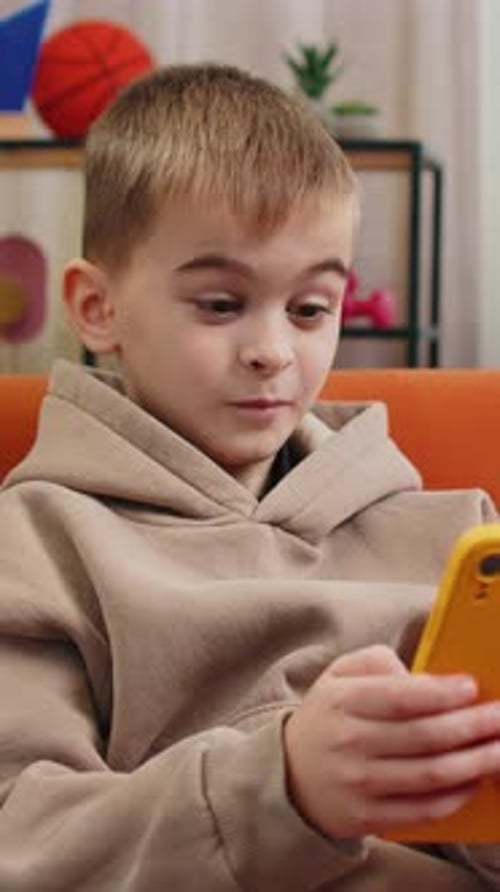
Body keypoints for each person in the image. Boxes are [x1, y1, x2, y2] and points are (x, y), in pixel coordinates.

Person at [0, 63, 499, 892]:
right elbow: (20, 836)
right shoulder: (37, 544)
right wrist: (286, 787)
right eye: (221, 304)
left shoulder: (455, 535)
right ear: (97, 309)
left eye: (310, 310)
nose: (273, 350)